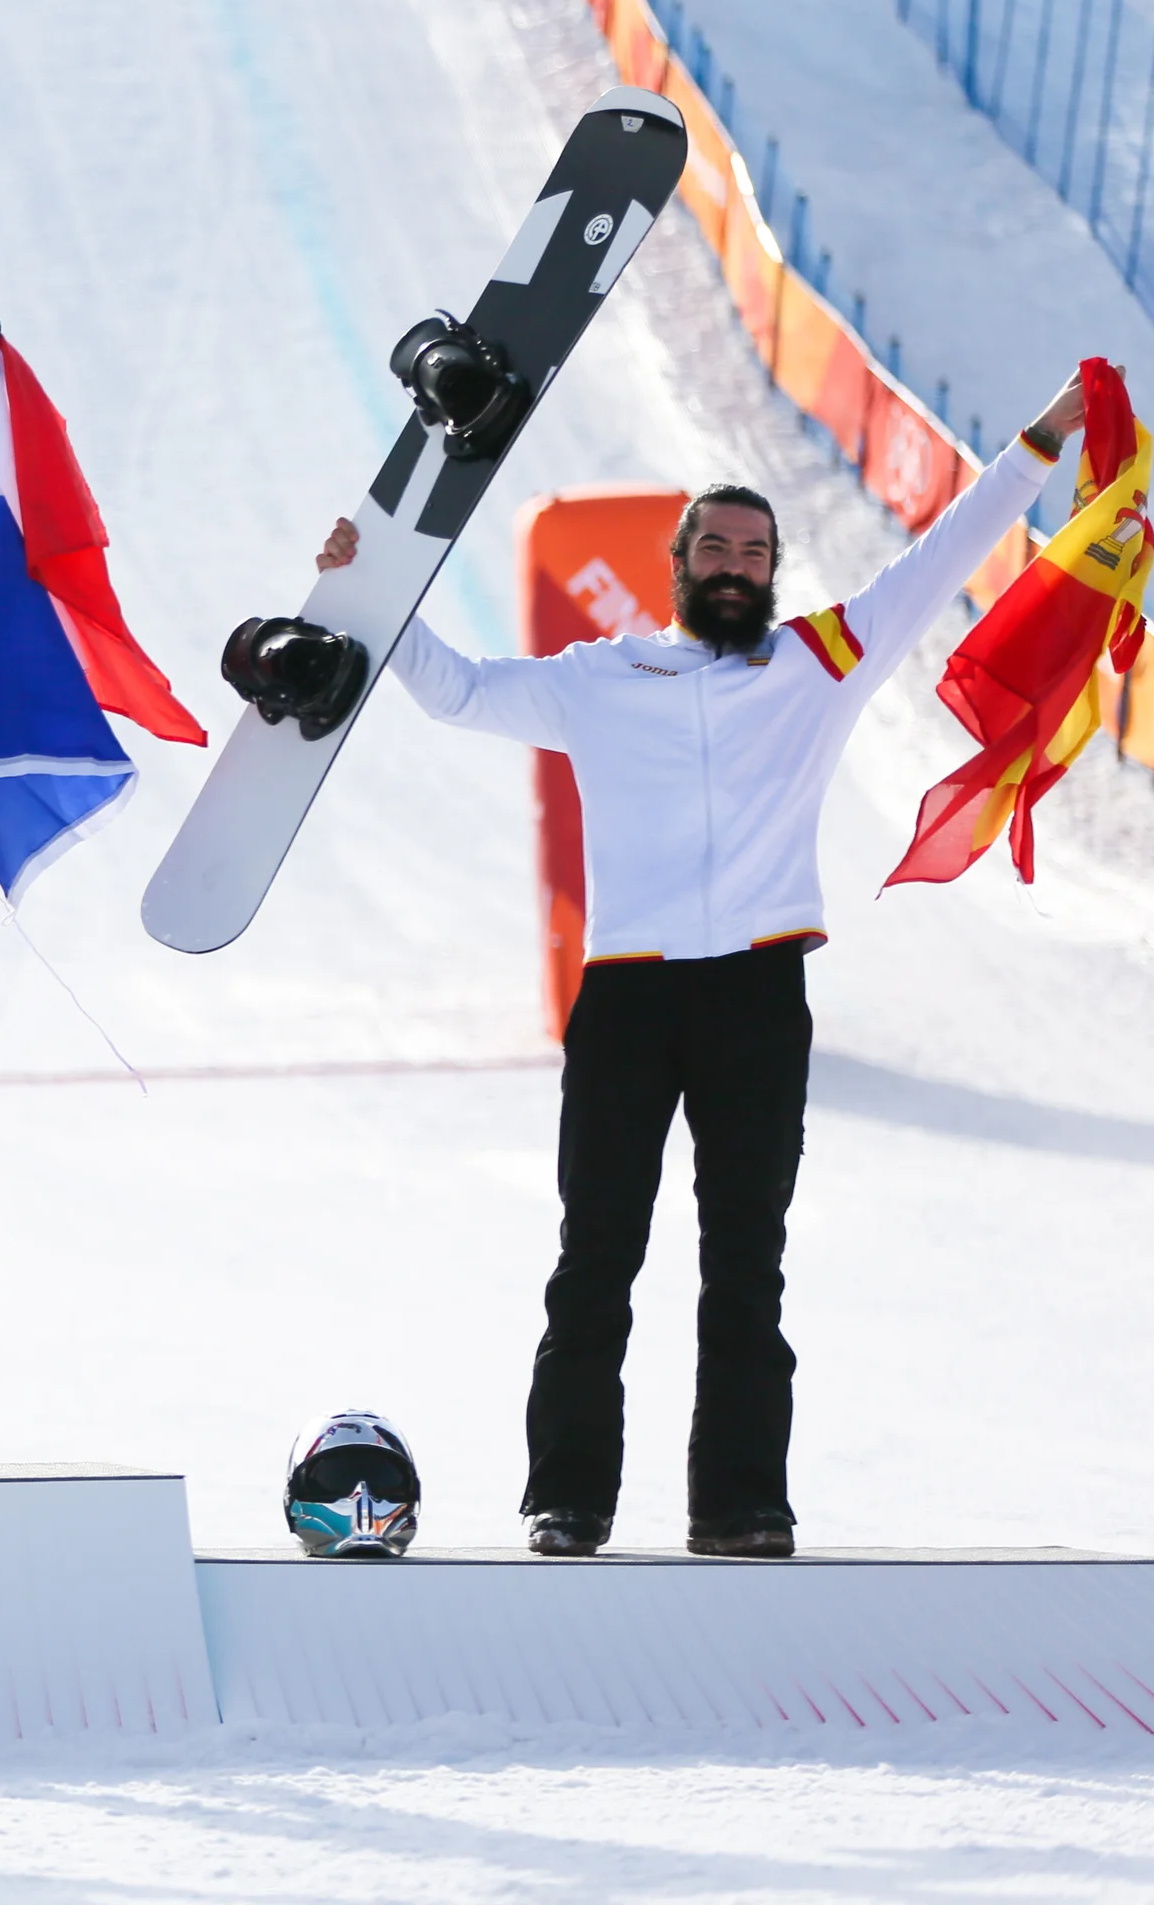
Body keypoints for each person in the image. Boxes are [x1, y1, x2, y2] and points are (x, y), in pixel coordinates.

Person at [259, 369, 1090, 1560]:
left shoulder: (821, 661)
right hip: (630, 998)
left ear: (774, 569)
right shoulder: (605, 678)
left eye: (757, 549)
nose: (738, 564)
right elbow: (451, 694)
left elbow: (945, 554)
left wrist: (1044, 436)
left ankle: (740, 1505)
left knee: (747, 1263)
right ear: (682, 564)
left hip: (757, 993)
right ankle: (568, 1500)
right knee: (596, 1254)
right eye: (717, 545)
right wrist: (363, 583)